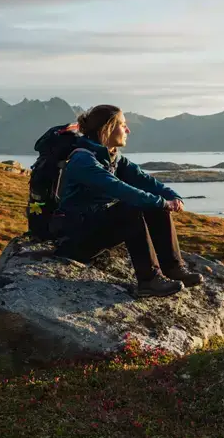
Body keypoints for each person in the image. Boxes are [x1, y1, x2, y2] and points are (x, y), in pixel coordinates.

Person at [53, 104, 203, 297]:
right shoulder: (83, 161)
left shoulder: (112, 157)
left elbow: (144, 180)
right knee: (132, 208)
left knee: (154, 206)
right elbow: (119, 188)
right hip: (74, 240)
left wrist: (172, 197)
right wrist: (161, 202)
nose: (128, 130)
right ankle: (148, 281)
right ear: (107, 128)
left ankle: (173, 268)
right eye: (123, 125)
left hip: (95, 227)